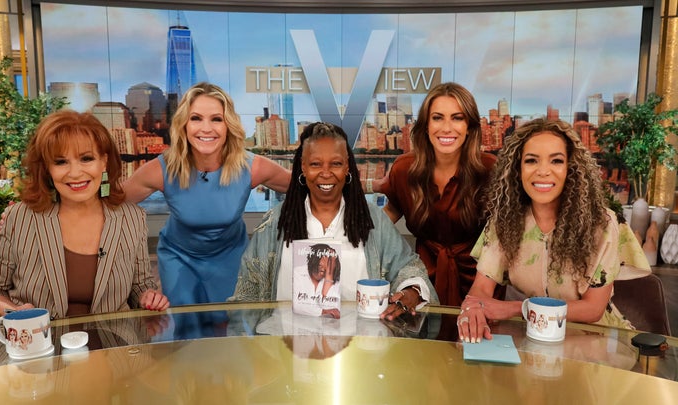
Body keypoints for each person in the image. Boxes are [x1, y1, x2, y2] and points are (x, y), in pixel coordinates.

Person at [457, 118, 650, 343]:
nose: (543, 171)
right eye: (531, 161)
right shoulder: (505, 222)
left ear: (571, 168)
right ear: (517, 170)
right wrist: (474, 309)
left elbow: (592, 309)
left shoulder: (603, 224)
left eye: (556, 161)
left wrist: (516, 308)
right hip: (534, 336)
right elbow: (481, 287)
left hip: (597, 341)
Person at [0, 110, 169, 320]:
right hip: (41, 346)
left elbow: (140, 285)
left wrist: (148, 296)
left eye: (86, 159)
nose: (75, 173)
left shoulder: (132, 217)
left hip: (112, 345)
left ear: (103, 161)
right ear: (47, 168)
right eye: (60, 162)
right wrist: (16, 314)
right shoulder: (20, 217)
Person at [230, 122, 438, 319]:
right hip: (286, 346)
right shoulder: (275, 223)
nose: (326, 173)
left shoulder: (373, 220)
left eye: (336, 164)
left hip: (358, 346)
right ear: (302, 167)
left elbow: (408, 266)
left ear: (347, 166)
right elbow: (247, 293)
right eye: (315, 164)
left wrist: (411, 290)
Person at [122, 82, 291, 306]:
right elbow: (113, 201)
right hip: (178, 258)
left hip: (231, 257)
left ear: (228, 125)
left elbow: (305, 185)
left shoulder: (251, 167)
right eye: (196, 118)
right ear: (183, 124)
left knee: (229, 329)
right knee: (184, 331)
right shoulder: (163, 169)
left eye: (216, 119)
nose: (206, 128)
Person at [373, 82, 499, 306]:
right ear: (426, 125)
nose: (447, 128)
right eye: (438, 118)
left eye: (457, 118)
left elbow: (505, 234)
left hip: (482, 281)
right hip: (421, 282)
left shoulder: (490, 170)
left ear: (469, 126)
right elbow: (388, 215)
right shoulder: (404, 169)